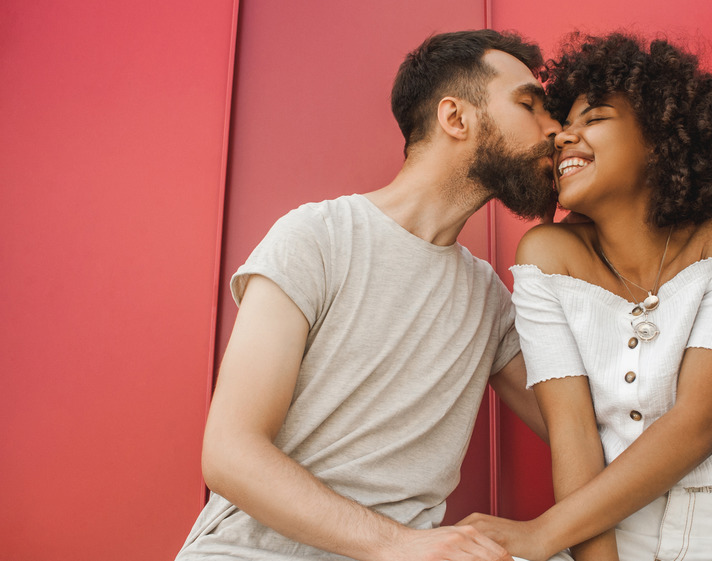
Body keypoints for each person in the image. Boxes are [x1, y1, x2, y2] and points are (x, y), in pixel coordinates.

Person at [175, 30, 563, 561]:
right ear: (456, 118)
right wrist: (399, 544)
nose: (556, 128)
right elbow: (229, 454)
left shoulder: (488, 300)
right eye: (529, 105)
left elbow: (582, 433)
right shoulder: (317, 236)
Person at [459, 33, 712, 561]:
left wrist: (542, 534)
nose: (564, 138)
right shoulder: (546, 254)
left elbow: (702, 422)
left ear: (659, 138)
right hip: (592, 526)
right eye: (565, 127)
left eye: (596, 119)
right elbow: (574, 437)